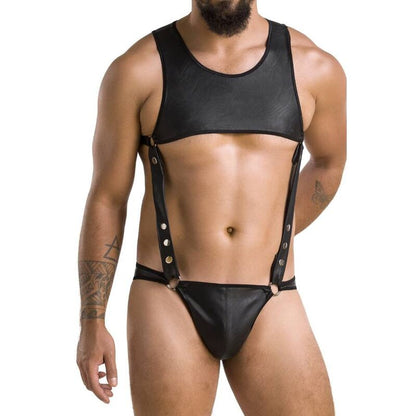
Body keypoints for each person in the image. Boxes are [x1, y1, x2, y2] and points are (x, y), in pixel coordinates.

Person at [76, 0, 346, 414]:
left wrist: (277, 228)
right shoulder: (138, 70)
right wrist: (92, 321)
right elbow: (107, 198)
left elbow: (329, 162)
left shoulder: (313, 68)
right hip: (168, 295)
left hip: (272, 295)